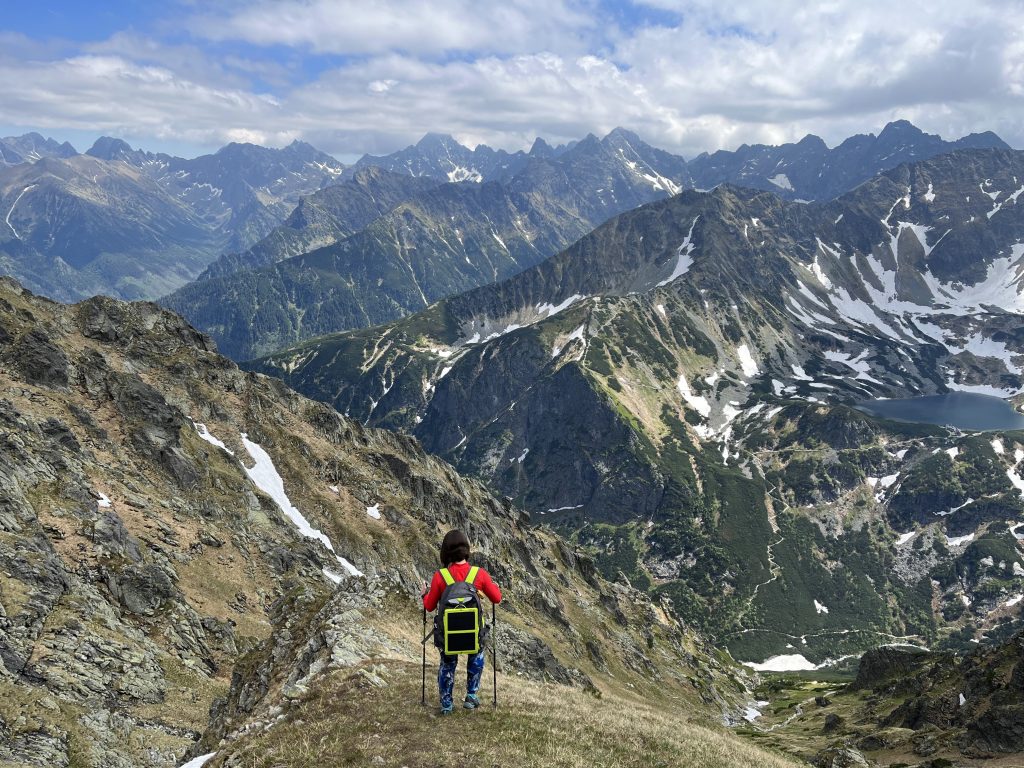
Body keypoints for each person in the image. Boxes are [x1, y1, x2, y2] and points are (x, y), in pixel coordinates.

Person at [422, 529, 502, 715]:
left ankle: (447, 703)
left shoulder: (440, 576)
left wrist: (424, 593)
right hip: (473, 631)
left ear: (446, 552)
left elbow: (429, 606)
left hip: (449, 634)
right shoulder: (479, 574)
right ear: (466, 549)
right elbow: (497, 598)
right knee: (476, 656)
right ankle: (471, 695)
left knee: (448, 663)